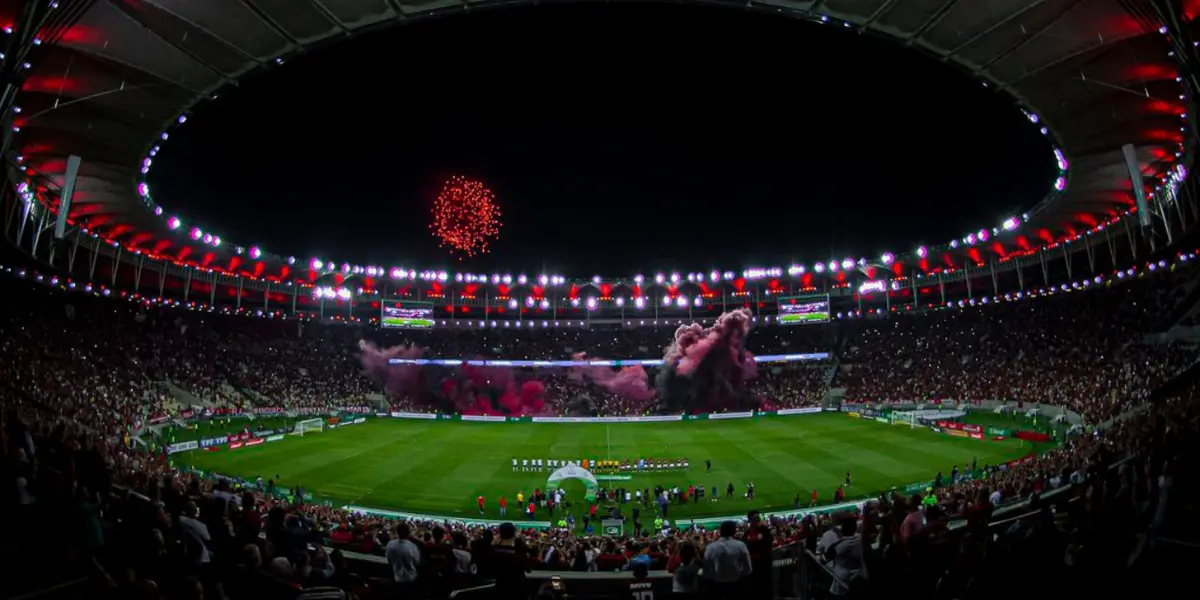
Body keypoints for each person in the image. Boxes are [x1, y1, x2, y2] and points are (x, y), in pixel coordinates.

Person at [702, 521, 751, 599]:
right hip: (736, 584)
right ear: (734, 531)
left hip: (717, 585)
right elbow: (748, 569)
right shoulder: (741, 546)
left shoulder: (710, 547)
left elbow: (706, 571)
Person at [744, 511, 774, 598]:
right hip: (753, 566)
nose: (758, 520)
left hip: (765, 564)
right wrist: (758, 541)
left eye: (758, 518)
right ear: (750, 520)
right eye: (755, 518)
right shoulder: (747, 534)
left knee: (767, 587)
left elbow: (768, 543)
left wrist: (755, 542)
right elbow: (747, 547)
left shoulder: (765, 530)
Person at [386, 522, 422, 589]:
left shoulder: (390, 544)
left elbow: (389, 559)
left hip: (395, 577)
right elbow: (417, 562)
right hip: (409, 579)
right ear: (408, 533)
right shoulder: (413, 547)